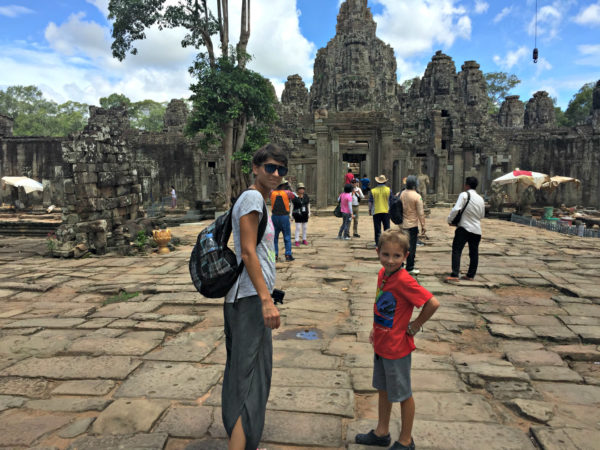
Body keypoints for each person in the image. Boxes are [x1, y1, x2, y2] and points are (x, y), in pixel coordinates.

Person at [355, 229, 440, 450]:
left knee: (403, 394)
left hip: (397, 347)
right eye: (386, 255)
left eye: (396, 256)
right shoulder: (383, 275)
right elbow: (381, 304)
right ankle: (382, 431)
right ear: (378, 253)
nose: (390, 260)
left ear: (406, 256)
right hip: (382, 343)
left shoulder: (404, 279)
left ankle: (406, 439)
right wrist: (376, 328)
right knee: (383, 388)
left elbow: (432, 303)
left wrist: (415, 325)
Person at [223, 143, 283, 450]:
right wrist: (265, 300)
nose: (275, 174)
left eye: (280, 170)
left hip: (247, 297)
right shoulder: (251, 198)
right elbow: (247, 252)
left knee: (246, 372)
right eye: (270, 167)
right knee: (250, 378)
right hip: (248, 299)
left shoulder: (260, 200)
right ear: (256, 168)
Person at [446, 176, 485, 282]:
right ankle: (470, 275)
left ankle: (455, 274)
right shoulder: (480, 198)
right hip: (477, 230)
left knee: (457, 250)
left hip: (464, 227)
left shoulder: (464, 195)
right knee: (474, 252)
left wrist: (449, 220)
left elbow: (456, 209)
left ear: (466, 185)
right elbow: (482, 215)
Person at [400, 175, 426, 276]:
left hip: (402, 224)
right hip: (412, 225)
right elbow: (420, 213)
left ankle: (400, 265)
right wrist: (423, 226)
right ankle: (410, 267)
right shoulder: (417, 196)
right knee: (411, 248)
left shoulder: (401, 194)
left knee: (402, 246)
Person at [270, 179, 296, 261]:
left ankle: (274, 255)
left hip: (274, 217)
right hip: (284, 217)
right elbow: (294, 197)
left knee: (274, 238)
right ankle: (288, 255)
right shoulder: (287, 192)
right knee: (287, 237)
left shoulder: (271, 192)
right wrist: (290, 187)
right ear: (283, 185)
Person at [369, 174, 392, 247]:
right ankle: (387, 243)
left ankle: (378, 243)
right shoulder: (389, 190)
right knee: (387, 228)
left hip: (376, 211)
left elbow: (370, 202)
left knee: (377, 228)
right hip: (386, 211)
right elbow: (391, 201)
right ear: (385, 182)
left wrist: (370, 210)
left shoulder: (373, 191)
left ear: (377, 182)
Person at [291, 182, 310, 246]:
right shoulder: (295, 197)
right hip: (297, 214)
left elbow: (308, 204)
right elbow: (292, 205)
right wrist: (291, 214)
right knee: (298, 227)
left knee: (305, 227)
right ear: (298, 189)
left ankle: (304, 239)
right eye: (300, 188)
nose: (302, 190)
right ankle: (297, 240)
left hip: (305, 213)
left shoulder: (306, 196)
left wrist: (309, 212)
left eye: (303, 188)